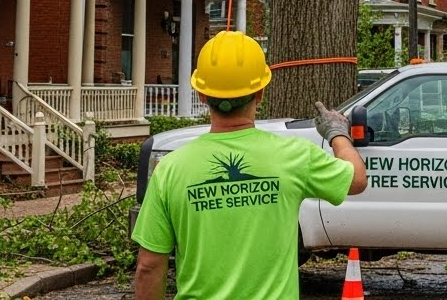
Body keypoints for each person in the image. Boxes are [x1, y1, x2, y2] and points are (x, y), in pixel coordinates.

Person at [132, 31, 368, 299]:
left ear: (201, 94)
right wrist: (338, 134)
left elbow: (148, 266)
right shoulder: (294, 156)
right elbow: (357, 180)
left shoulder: (170, 169)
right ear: (260, 92)